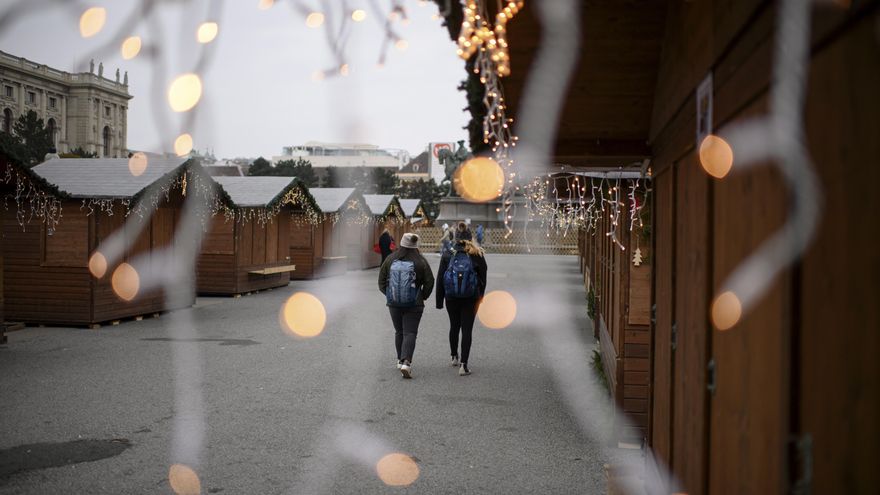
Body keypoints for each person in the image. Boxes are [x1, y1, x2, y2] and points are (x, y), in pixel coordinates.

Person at [378, 233, 434, 379]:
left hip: (394, 303)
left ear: (402, 244)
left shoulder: (391, 259)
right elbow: (430, 281)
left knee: (399, 331)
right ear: (415, 245)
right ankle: (406, 362)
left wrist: (391, 295)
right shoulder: (421, 261)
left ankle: (399, 359)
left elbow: (381, 282)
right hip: (415, 303)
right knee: (410, 332)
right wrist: (423, 296)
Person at [436, 222, 488, 376]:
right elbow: (483, 278)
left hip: (451, 297)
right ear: (470, 238)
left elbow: (440, 278)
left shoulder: (448, 254)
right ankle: (464, 365)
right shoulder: (476, 254)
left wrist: (439, 301)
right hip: (471, 298)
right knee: (467, 329)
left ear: (455, 238)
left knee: (454, 326)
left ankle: (454, 356)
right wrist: (480, 298)